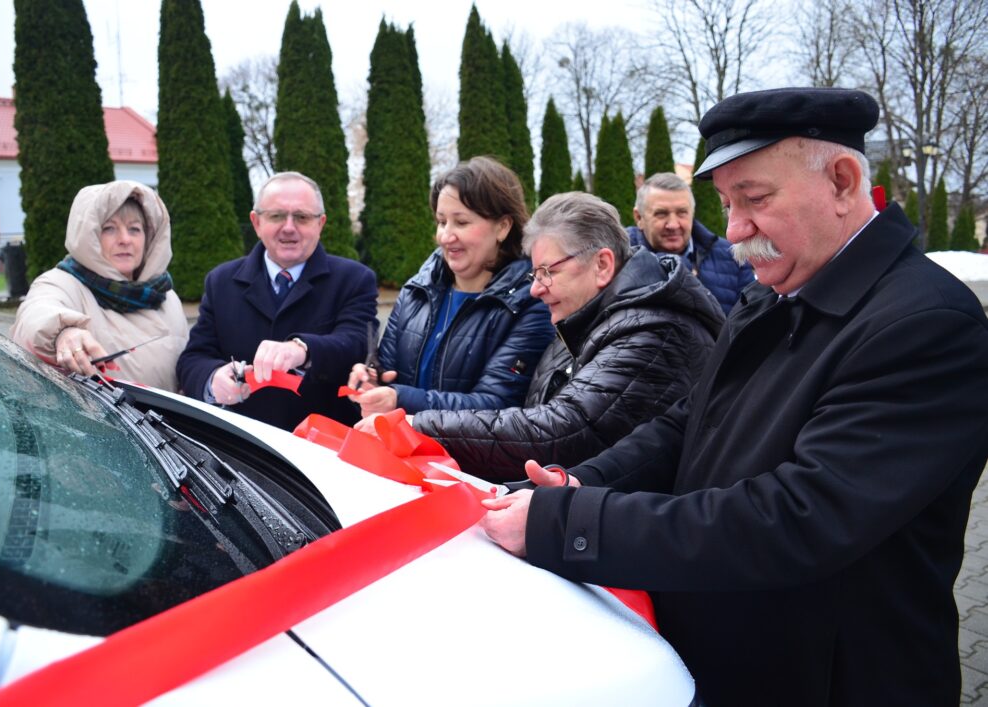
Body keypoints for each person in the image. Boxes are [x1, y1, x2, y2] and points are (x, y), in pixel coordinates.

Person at [480, 87, 988, 706]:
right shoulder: (774, 291)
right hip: (732, 658)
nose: (736, 230)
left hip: (835, 679)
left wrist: (570, 526)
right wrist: (582, 483)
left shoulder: (926, 324)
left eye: (755, 200)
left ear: (843, 180)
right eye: (724, 204)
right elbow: (690, 422)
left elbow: (798, 517)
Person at [411, 192, 724, 481]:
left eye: (548, 272)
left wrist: (418, 427)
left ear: (602, 265)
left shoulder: (655, 332)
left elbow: (561, 433)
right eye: (535, 275)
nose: (535, 289)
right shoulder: (586, 316)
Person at [348, 156, 553, 425]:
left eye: (461, 222)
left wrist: (399, 399)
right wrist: (370, 382)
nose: (446, 236)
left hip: (467, 466)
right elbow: (387, 373)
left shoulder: (532, 303)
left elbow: (496, 405)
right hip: (396, 455)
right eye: (442, 221)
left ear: (503, 227)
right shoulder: (416, 291)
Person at [176, 171, 377, 431]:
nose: (289, 227)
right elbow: (193, 358)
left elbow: (356, 342)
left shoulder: (354, 279)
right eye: (277, 216)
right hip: (239, 447)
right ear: (256, 222)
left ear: (321, 223)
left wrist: (302, 349)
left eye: (302, 217)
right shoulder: (221, 281)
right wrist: (213, 379)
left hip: (323, 449)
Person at [10, 180, 188, 392]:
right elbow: (36, 313)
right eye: (109, 229)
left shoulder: (167, 297)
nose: (125, 239)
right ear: (89, 236)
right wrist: (63, 333)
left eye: (134, 229)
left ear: (149, 238)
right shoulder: (63, 283)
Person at [628, 171, 754, 313]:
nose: (673, 224)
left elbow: (750, 318)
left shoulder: (733, 256)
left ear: (692, 213)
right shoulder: (619, 260)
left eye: (682, 212)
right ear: (639, 218)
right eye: (661, 213)